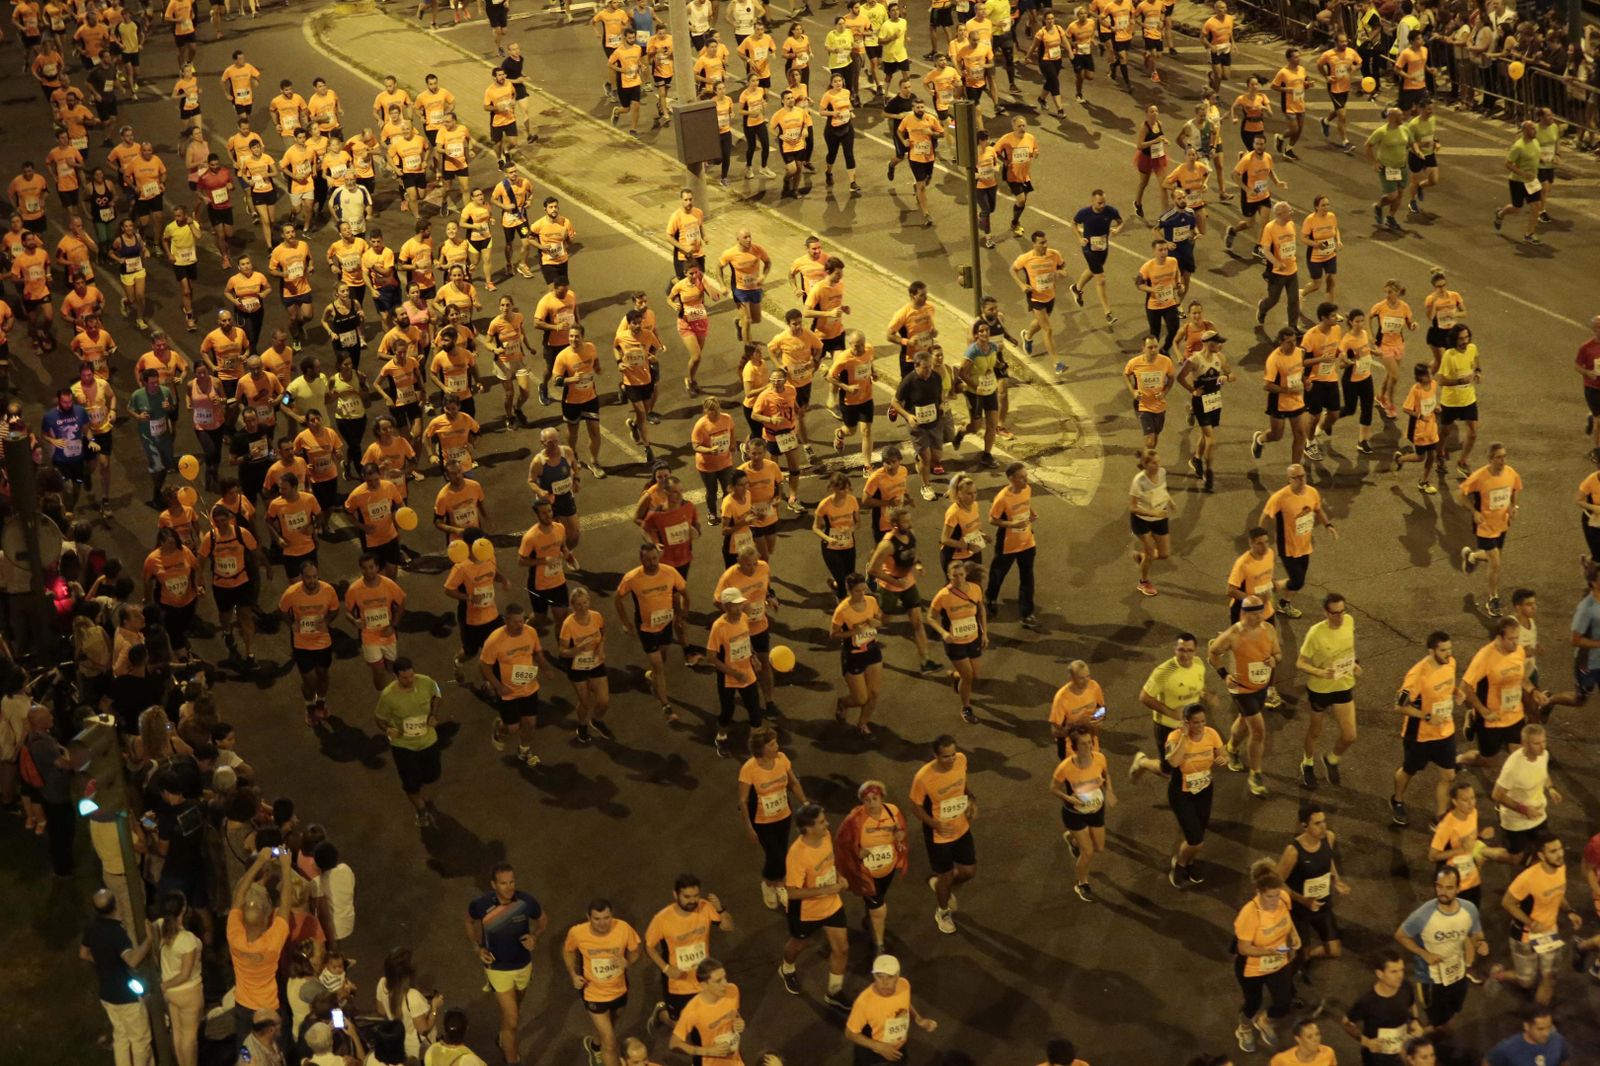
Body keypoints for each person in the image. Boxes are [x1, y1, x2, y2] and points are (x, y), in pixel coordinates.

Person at [464, 863, 547, 1066]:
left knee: (514, 1013)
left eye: (512, 882)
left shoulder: (526, 901)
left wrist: (535, 936)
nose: (509, 887)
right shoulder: (481, 905)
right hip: (497, 968)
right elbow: (468, 921)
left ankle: (504, 1038)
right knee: (512, 1020)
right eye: (503, 883)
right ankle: (512, 1060)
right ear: (493, 885)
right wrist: (477, 948)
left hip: (523, 966)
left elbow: (543, 919)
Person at [1395, 865, 1485, 1029]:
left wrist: (1481, 943)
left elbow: (1476, 933)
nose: (1443, 892)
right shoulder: (1423, 915)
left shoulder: (1469, 909)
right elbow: (1400, 935)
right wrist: (1423, 953)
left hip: (1458, 974)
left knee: (1452, 1013)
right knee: (1437, 1022)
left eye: (1449, 887)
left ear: (1458, 888)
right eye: (1439, 886)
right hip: (1431, 980)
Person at [778, 802, 849, 1009]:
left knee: (842, 949)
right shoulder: (797, 855)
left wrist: (840, 876)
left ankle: (834, 992)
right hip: (806, 912)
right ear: (808, 829)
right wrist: (826, 890)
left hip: (832, 904)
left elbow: (831, 862)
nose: (827, 824)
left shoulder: (825, 836)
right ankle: (787, 968)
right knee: (800, 944)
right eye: (821, 822)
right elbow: (792, 892)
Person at [643, 874, 732, 1034]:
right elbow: (649, 946)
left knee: (705, 1021)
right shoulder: (662, 919)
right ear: (675, 895)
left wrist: (721, 909)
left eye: (696, 896)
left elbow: (728, 926)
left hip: (704, 978)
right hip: (678, 983)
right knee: (680, 1026)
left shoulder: (705, 907)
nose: (692, 901)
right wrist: (666, 969)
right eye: (687, 896)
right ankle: (661, 1014)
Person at [1210, 595, 1280, 798]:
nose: (1258, 617)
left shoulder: (1269, 630)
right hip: (1241, 689)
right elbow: (1213, 652)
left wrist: (1274, 660)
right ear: (1243, 613)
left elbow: (1278, 654)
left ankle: (1231, 748)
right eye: (1253, 613)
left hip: (1261, 687)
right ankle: (1255, 774)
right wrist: (1225, 675)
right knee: (1258, 731)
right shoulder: (1233, 634)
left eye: (1260, 612)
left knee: (1243, 721)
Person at [1499, 836, 1580, 1005]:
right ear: (1541, 856)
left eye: (1560, 848)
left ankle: (1540, 1018)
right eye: (1553, 851)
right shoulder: (1527, 878)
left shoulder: (1561, 868)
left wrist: (1570, 911)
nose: (1559, 854)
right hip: (1525, 935)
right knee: (1526, 980)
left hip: (1549, 932)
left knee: (1549, 978)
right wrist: (1529, 922)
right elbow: (1507, 902)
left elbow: (1558, 893)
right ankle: (1499, 974)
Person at [81, 888, 156, 1066]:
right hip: (126, 996)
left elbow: (83, 953)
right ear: (115, 906)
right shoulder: (117, 933)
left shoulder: (92, 929)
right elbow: (133, 960)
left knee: (121, 1037)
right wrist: (149, 940)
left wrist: (102, 961)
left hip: (106, 994)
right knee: (140, 1040)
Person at [562, 900, 642, 1066]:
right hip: (593, 993)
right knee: (611, 1042)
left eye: (606, 918)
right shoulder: (577, 933)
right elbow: (568, 951)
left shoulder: (623, 928)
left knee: (609, 1027)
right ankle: (604, 1052)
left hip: (619, 990)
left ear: (612, 915)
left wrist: (627, 962)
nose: (603, 923)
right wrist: (573, 975)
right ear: (588, 917)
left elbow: (635, 950)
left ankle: (595, 1046)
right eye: (597, 919)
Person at [909, 735, 975, 934]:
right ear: (935, 756)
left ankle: (940, 885)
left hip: (961, 827)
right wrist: (934, 824)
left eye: (953, 754)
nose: (951, 759)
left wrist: (971, 799)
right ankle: (943, 911)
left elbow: (963, 782)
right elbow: (915, 807)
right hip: (938, 836)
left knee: (969, 872)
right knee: (946, 876)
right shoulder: (923, 777)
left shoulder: (962, 760)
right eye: (946, 756)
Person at [1233, 858, 1301, 1053]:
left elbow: (1287, 918)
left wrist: (1294, 935)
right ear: (1259, 893)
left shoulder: (1283, 899)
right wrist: (1268, 951)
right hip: (1252, 966)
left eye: (1277, 895)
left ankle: (1264, 1021)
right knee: (1253, 1003)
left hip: (1278, 962)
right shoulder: (1249, 914)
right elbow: (1244, 948)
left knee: (1283, 1003)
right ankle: (1244, 1027)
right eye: (1270, 897)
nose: (1275, 901)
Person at [226, 848, 292, 1047]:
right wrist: (286, 867)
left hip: (244, 1006)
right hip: (269, 1008)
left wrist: (258, 862)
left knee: (245, 1049)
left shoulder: (234, 935)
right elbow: (286, 902)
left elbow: (239, 894)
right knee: (275, 1048)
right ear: (265, 920)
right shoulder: (272, 942)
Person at [1276, 801, 1349, 977]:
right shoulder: (1293, 851)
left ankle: (1306, 955)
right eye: (1317, 823)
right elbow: (1277, 882)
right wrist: (1302, 900)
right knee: (1298, 953)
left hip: (1322, 905)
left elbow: (1328, 859)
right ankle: (1287, 968)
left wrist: (1336, 880)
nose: (1323, 827)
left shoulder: (1329, 838)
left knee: (1334, 951)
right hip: (1299, 910)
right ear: (1304, 825)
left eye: (1324, 821)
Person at [738, 726, 806, 911]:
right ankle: (771, 883)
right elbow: (743, 801)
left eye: (776, 742)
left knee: (781, 851)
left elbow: (793, 782)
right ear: (762, 748)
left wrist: (805, 802)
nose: (777, 746)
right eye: (772, 744)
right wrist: (749, 828)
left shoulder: (782, 759)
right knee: (776, 855)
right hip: (762, 821)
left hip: (784, 815)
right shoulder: (749, 769)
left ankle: (777, 883)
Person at [1297, 593, 1358, 788]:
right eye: (1335, 614)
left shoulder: (1349, 621)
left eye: (1342, 611)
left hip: (1343, 685)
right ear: (1326, 613)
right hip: (1320, 690)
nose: (1340, 617)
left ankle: (1331, 759)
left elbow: (1348, 650)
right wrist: (1321, 672)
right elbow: (1300, 663)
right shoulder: (1315, 633)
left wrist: (1355, 665)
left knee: (1350, 735)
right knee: (1315, 731)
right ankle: (1307, 762)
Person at [479, 604, 551, 769]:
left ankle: (524, 750)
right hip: (508, 691)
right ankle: (499, 728)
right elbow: (484, 665)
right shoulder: (495, 640)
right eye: (516, 622)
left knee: (530, 722)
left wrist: (546, 667)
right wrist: (497, 686)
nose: (521, 625)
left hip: (529, 687)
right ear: (506, 621)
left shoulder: (530, 632)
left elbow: (537, 652)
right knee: (512, 728)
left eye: (523, 620)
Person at [373, 657, 442, 827]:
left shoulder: (425, 682)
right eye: (404, 678)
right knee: (411, 784)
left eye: (411, 675)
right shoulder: (388, 695)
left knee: (432, 775)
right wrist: (388, 730)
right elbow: (379, 718)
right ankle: (420, 810)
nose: (409, 680)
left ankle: (420, 793)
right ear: (396, 676)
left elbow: (437, 695)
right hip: (404, 746)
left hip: (428, 741)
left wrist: (433, 714)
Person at [1051, 726, 1114, 902]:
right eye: (1084, 744)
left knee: (1099, 847)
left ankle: (1071, 838)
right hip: (1075, 812)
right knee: (1088, 852)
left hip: (1096, 808)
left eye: (1090, 742)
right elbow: (1053, 789)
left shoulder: (1100, 758)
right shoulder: (1065, 767)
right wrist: (1070, 799)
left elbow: (1105, 774)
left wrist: (1109, 790)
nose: (1088, 747)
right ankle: (1082, 883)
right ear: (1075, 746)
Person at [1459, 443, 1521, 617]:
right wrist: (1474, 512)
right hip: (1484, 525)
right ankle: (1493, 598)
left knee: (1493, 556)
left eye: (1504, 456)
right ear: (1490, 459)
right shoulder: (1479, 477)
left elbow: (1515, 488)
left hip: (1502, 523)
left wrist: (1513, 506)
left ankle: (1471, 556)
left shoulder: (1510, 473)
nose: (1502, 460)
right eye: (1499, 457)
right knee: (1495, 562)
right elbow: (1461, 495)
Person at [844, 954, 938, 1063]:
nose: (885, 983)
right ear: (874, 976)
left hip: (899, 1046)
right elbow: (850, 1033)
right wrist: (879, 1047)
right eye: (880, 976)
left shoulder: (904, 985)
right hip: (876, 1054)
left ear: (898, 976)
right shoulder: (864, 1002)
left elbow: (905, 1003)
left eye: (890, 976)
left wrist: (918, 1018)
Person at [1340, 950, 1421, 1066]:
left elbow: (1412, 1004)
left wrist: (1415, 1020)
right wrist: (1366, 1042)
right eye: (1394, 971)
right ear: (1380, 974)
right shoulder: (1367, 1001)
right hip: (1377, 1059)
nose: (1400, 976)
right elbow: (1346, 1023)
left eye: (1401, 970)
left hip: (1402, 1053)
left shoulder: (1406, 987)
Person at [1492, 724, 1559, 856]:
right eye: (1537, 743)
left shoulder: (1543, 754)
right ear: (1525, 744)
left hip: (1538, 815)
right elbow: (1497, 795)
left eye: (1544, 741)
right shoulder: (1513, 767)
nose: (1543, 746)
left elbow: (1542, 771)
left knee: (1542, 851)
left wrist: (1551, 788)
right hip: (1516, 822)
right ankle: (1483, 852)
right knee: (1517, 857)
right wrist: (1524, 810)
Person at [669, 959, 746, 1062]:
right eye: (718, 981)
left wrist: (739, 1022)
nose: (725, 983)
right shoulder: (693, 1010)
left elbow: (734, 1013)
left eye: (725, 978)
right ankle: (661, 1012)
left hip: (735, 1060)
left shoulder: (732, 990)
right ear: (704, 986)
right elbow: (674, 1044)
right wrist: (709, 1051)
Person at [1128, 448, 1172, 597]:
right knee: (1150, 551)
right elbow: (1133, 508)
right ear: (1145, 464)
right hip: (1142, 521)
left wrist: (1170, 500)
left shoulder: (1162, 472)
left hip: (1160, 518)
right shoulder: (1139, 481)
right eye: (1153, 463)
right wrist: (1153, 513)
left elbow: (1162, 489)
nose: (1157, 466)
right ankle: (1143, 582)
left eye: (1158, 462)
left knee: (1165, 554)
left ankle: (1141, 557)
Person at [1484, 1008, 1571, 1066]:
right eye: (1540, 1029)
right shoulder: (1507, 1048)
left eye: (1549, 1027)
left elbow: (1564, 1062)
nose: (1546, 1033)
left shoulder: (1558, 1040)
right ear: (1527, 1026)